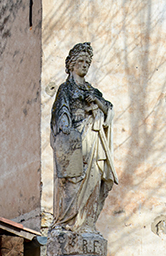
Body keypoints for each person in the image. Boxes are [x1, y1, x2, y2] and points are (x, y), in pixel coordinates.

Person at [50, 42, 118, 234]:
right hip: (74, 142)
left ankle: (86, 223)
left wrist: (96, 101)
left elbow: (109, 110)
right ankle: (69, 223)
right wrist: (66, 129)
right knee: (73, 183)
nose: (84, 65)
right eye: (80, 61)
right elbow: (61, 115)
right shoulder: (65, 89)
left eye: (87, 62)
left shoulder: (92, 91)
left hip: (94, 140)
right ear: (71, 64)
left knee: (93, 181)